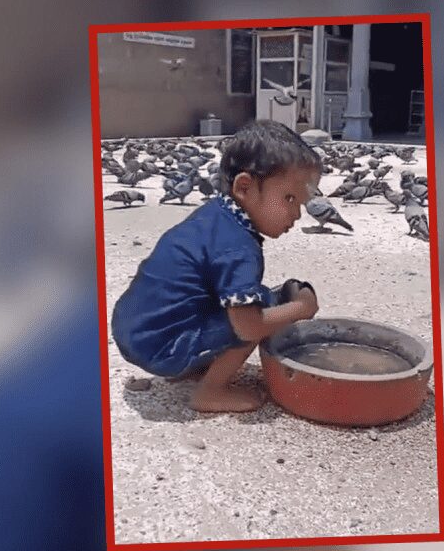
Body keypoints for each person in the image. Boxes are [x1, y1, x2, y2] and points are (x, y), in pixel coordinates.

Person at [112, 120, 322, 412]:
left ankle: (193, 365)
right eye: (289, 198)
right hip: (158, 346)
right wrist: (302, 308)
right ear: (244, 188)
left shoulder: (217, 214)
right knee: (255, 314)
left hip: (136, 330)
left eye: (301, 202)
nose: (297, 214)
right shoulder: (238, 248)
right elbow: (249, 326)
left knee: (255, 299)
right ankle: (210, 393)